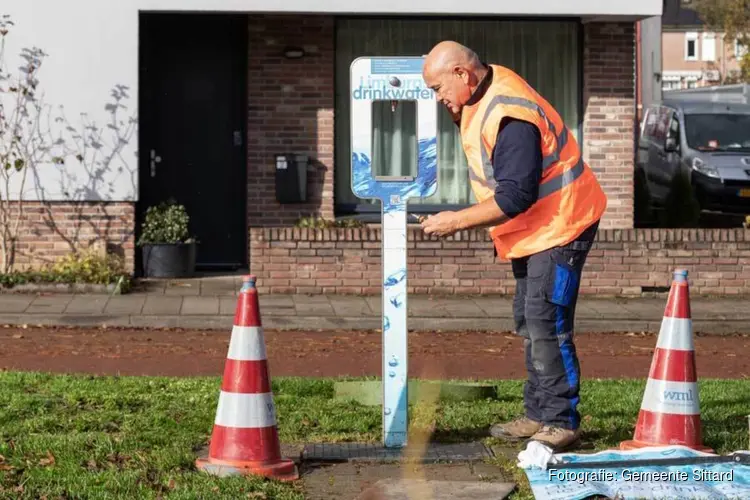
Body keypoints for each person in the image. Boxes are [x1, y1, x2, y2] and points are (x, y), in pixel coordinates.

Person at [419, 41, 607, 452]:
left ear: (462, 75)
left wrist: (454, 221)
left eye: (437, 88)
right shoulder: (483, 94)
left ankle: (560, 420)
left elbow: (515, 195)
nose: (438, 98)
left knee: (546, 321)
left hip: (562, 223)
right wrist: (455, 112)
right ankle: (539, 412)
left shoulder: (510, 115)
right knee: (529, 319)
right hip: (536, 228)